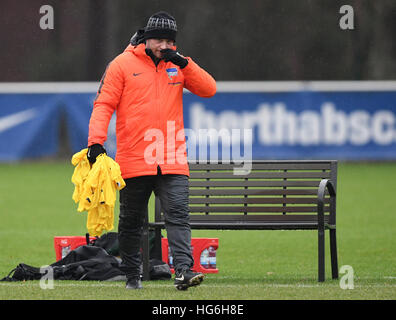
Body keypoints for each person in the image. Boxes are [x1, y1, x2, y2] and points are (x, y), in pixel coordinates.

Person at [86, 11, 216, 290]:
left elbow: (209, 89)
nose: (164, 45)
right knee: (131, 222)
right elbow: (103, 105)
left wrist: (186, 63)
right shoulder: (121, 65)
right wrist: (96, 142)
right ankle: (133, 276)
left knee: (178, 215)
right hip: (134, 158)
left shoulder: (179, 65)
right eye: (158, 39)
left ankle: (183, 271)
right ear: (145, 39)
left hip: (172, 159)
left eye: (169, 41)